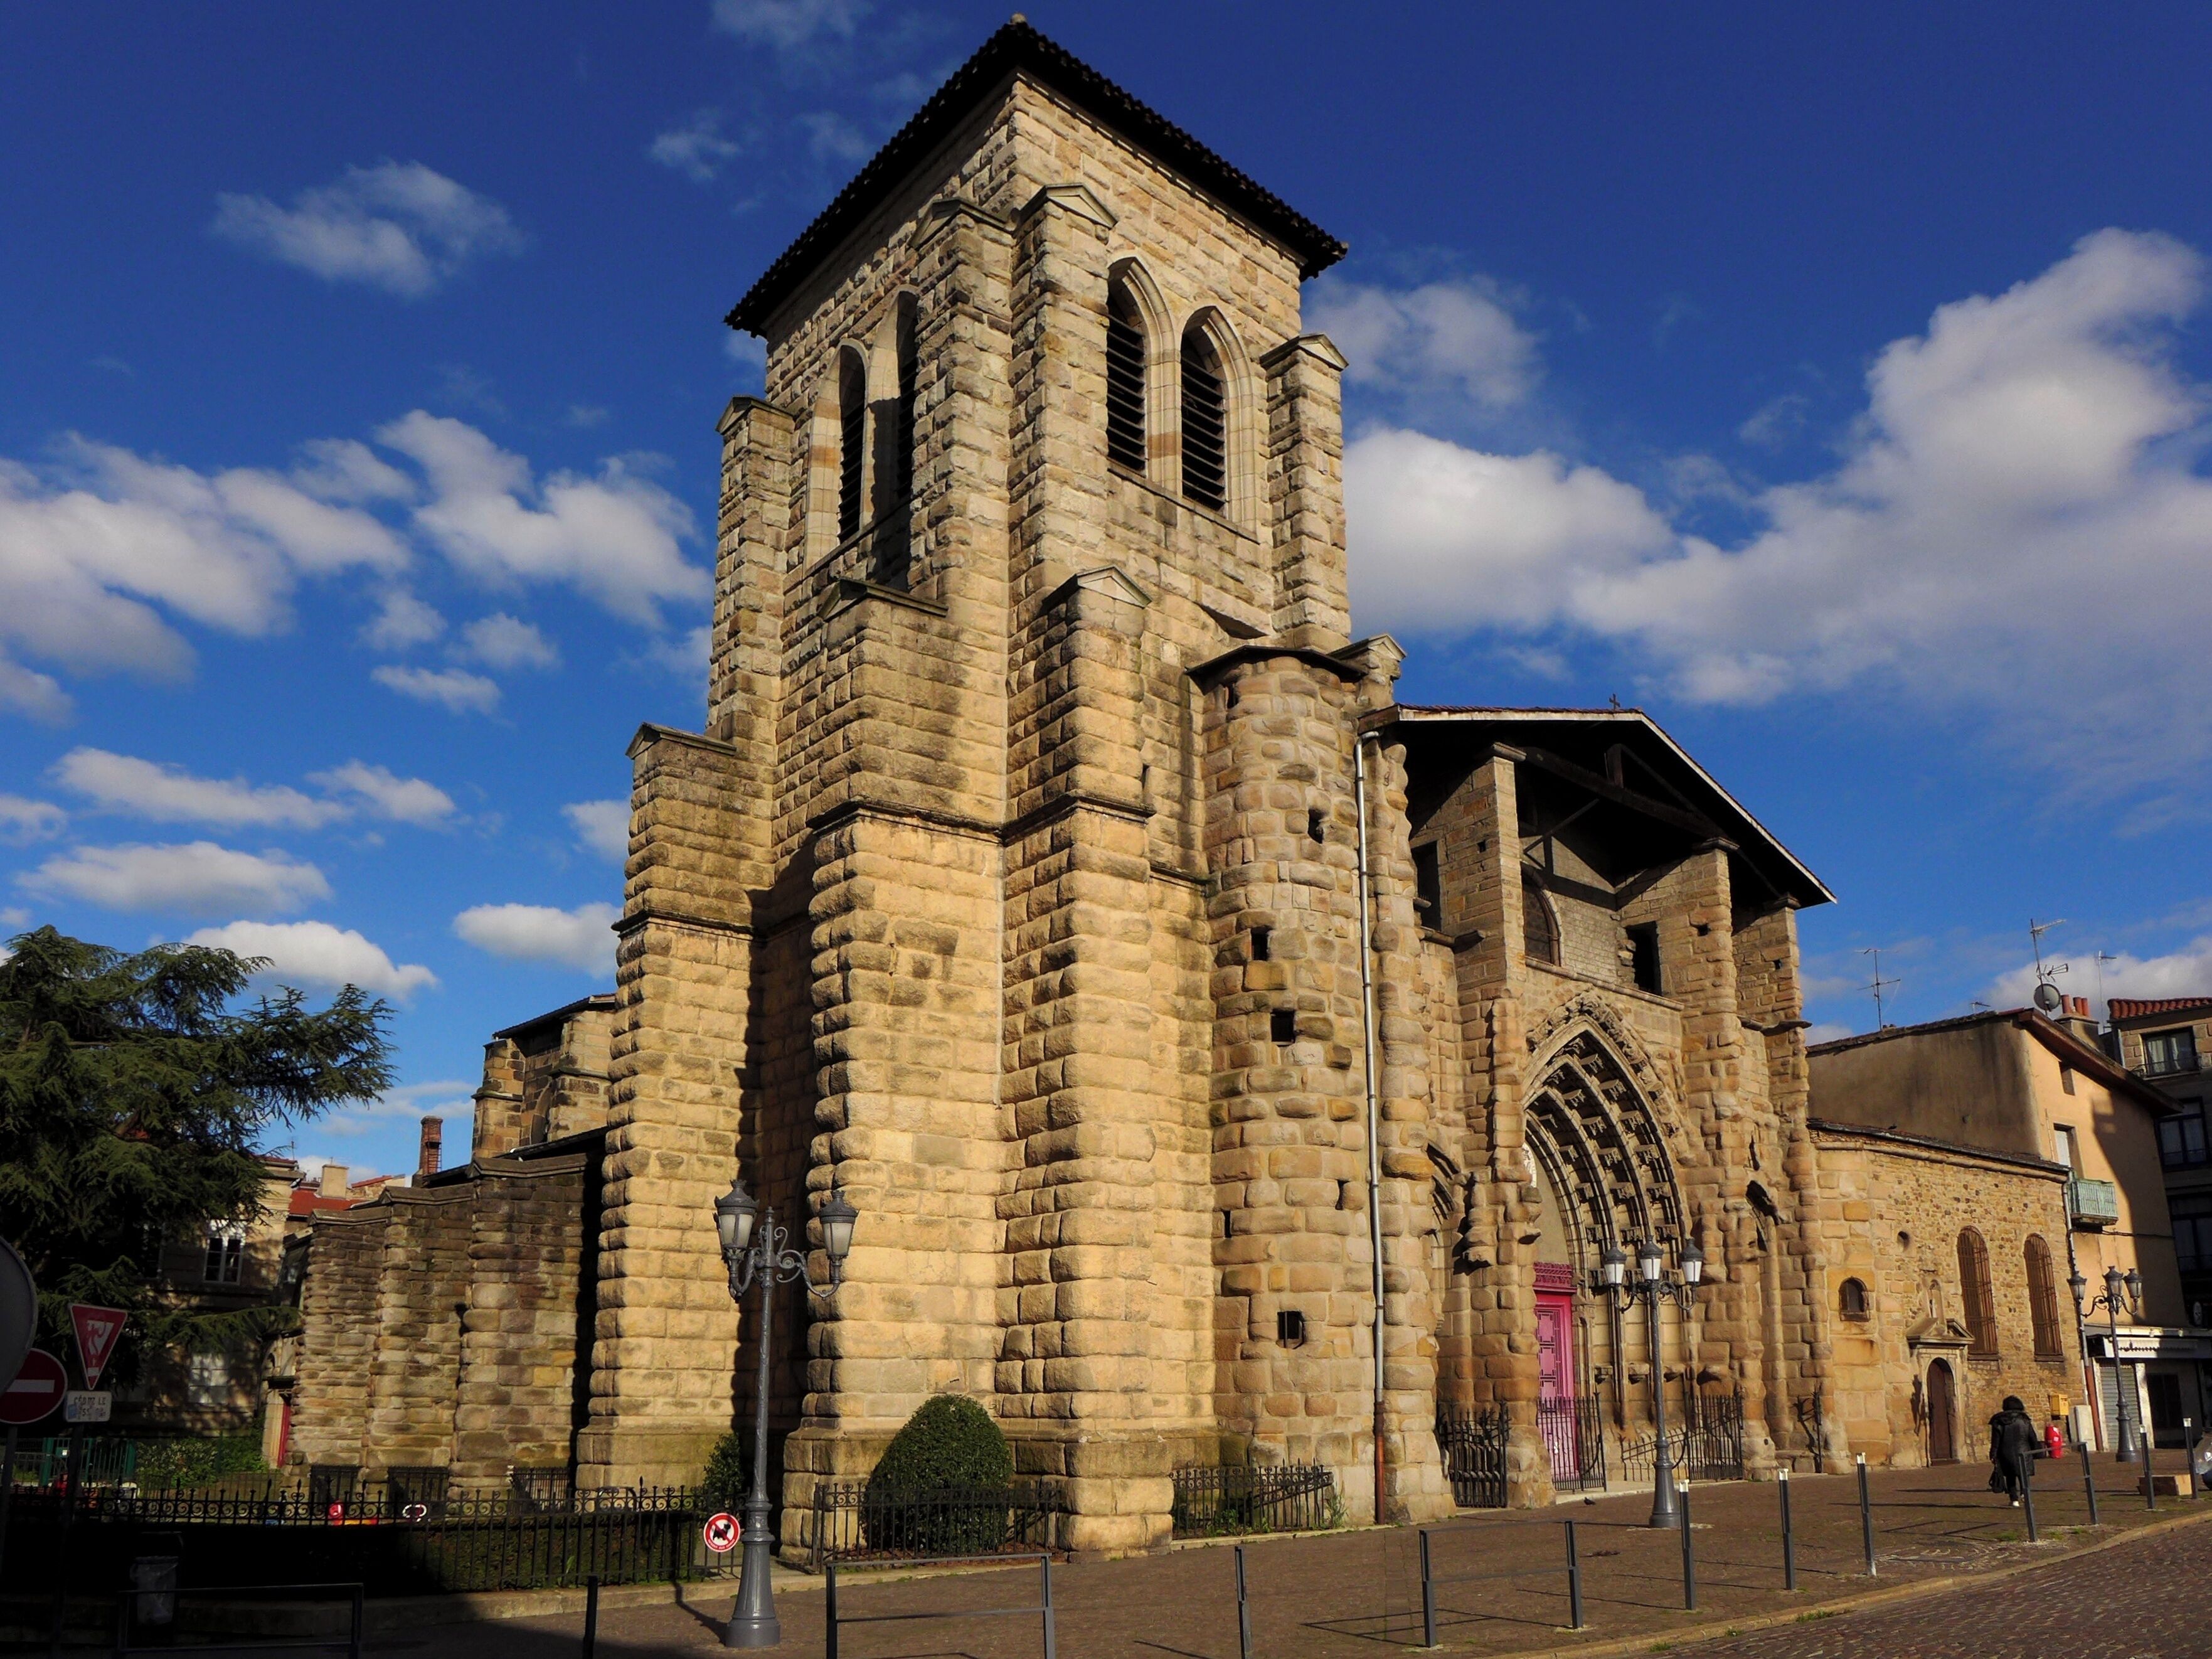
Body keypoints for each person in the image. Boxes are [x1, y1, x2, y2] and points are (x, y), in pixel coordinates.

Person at [1989, 1394, 2040, 1505]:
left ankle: (2014, 1499)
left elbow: (1995, 1441)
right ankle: (2024, 1494)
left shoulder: (1999, 1421)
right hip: (2024, 1451)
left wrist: (1993, 1454)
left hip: (2005, 1452)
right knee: (2024, 1475)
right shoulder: (2024, 1420)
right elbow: (2032, 1437)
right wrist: (2036, 1451)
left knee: (2010, 1476)